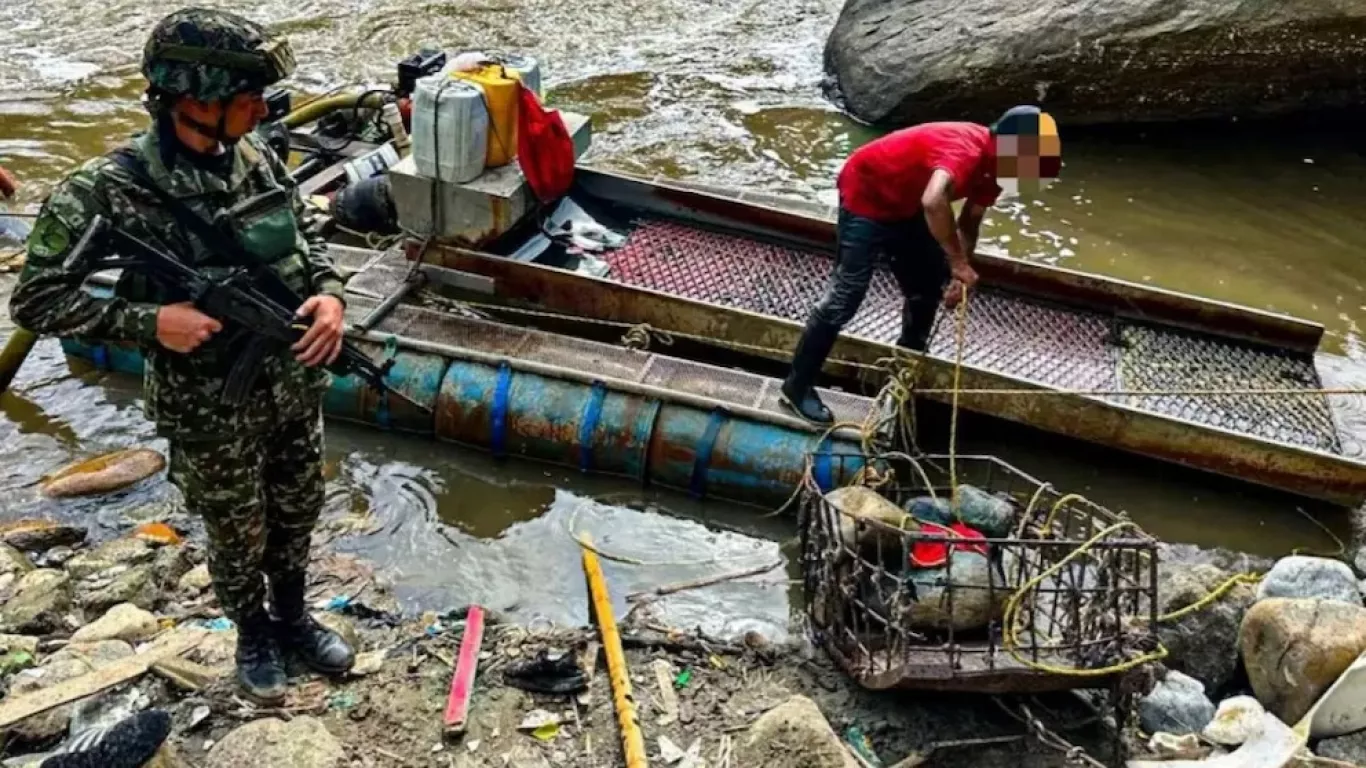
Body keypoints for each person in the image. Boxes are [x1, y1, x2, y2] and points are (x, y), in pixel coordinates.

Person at [9, 7, 355, 703]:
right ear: (195, 96)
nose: (262, 108)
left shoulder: (255, 152)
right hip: (208, 406)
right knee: (236, 530)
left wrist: (330, 295)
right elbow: (36, 300)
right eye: (248, 95)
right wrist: (149, 320)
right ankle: (252, 633)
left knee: (298, 508)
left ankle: (293, 617)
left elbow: (306, 236)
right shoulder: (105, 189)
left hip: (290, 381)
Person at [779, 106, 1061, 424]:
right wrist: (955, 259)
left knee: (926, 288)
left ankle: (903, 372)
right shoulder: (966, 149)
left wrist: (959, 271)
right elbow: (933, 200)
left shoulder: (998, 168)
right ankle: (796, 387)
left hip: (907, 205)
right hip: (867, 195)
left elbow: (971, 219)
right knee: (846, 296)